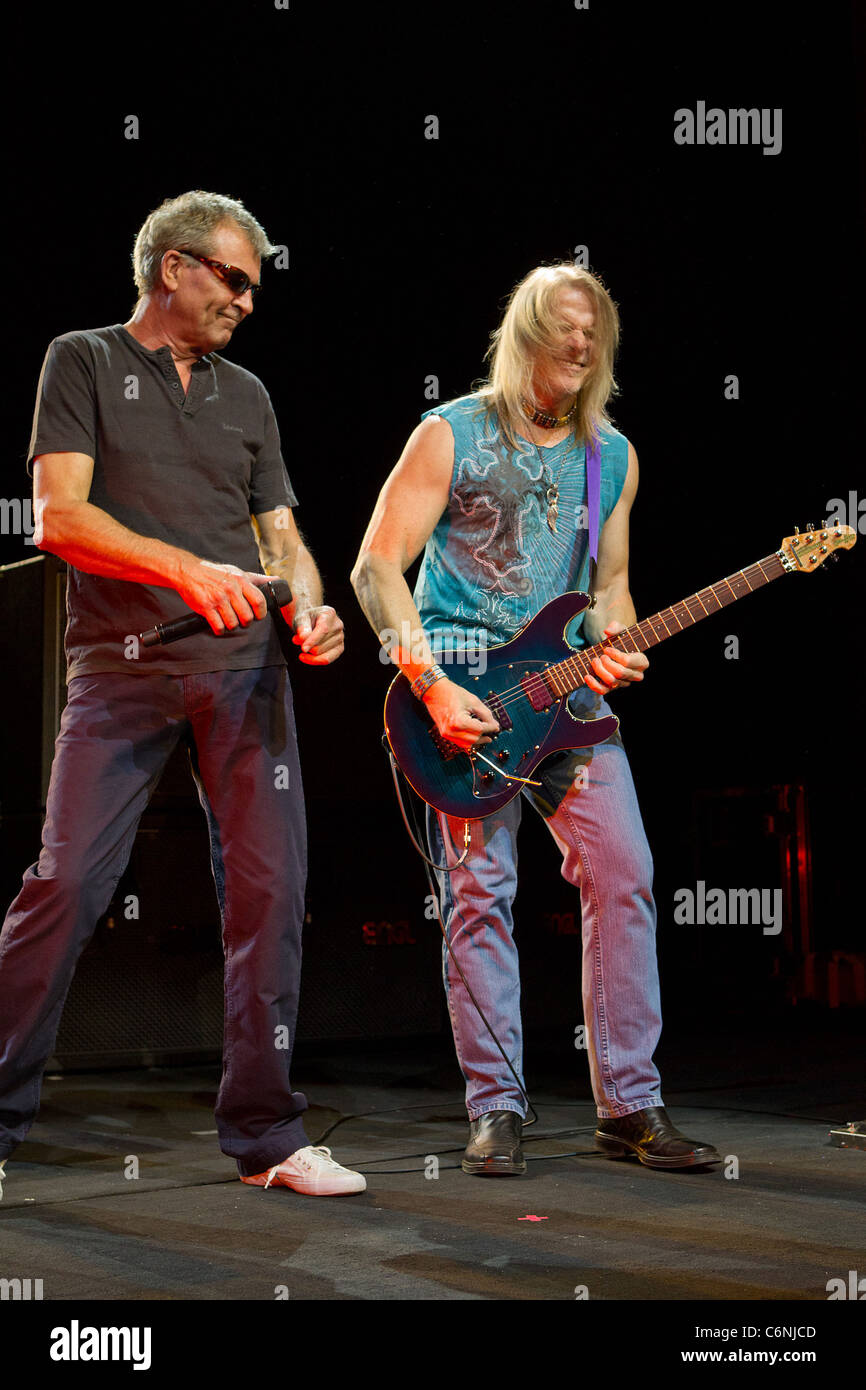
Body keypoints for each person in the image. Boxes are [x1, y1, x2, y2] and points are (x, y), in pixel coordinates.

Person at [0, 191, 364, 1198]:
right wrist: (180, 569)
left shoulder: (248, 393)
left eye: (255, 285)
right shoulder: (79, 359)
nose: (248, 300)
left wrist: (314, 609)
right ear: (173, 266)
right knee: (66, 886)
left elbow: (279, 536)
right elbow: (60, 518)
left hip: (247, 673)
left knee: (269, 895)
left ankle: (266, 1135)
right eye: (233, 279)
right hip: (120, 671)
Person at [351, 263, 720, 1175]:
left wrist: (622, 639)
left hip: (567, 694)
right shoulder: (451, 433)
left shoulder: (614, 456)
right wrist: (430, 682)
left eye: (594, 331)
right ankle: (496, 1108)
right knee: (482, 895)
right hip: (463, 692)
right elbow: (374, 568)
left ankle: (629, 1103)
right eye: (563, 324)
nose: (581, 342)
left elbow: (612, 584)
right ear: (524, 333)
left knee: (625, 874)